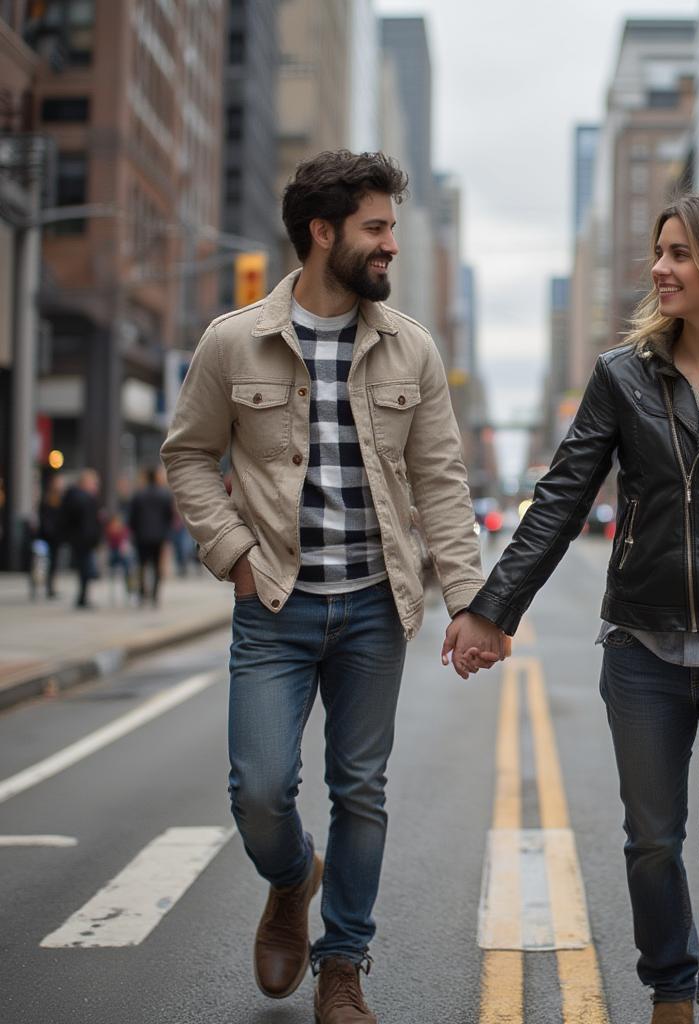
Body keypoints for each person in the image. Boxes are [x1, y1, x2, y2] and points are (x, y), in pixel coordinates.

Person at [447, 194, 699, 1024]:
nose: (660, 268)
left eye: (679, 255)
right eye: (658, 252)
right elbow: (561, 500)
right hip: (641, 650)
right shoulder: (621, 377)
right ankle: (672, 984)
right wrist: (494, 608)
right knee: (652, 842)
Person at [161, 149, 505, 1024]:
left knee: (362, 788)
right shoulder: (234, 339)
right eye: (376, 229)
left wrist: (470, 601)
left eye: (393, 228)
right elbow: (189, 456)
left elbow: (441, 483)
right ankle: (291, 878)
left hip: (373, 610)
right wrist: (233, 551)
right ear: (324, 233)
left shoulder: (410, 348)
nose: (389, 245)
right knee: (263, 789)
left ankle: (343, 963)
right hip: (272, 606)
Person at [129, 466, 174, 606]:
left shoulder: (138, 494)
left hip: (141, 536)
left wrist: (135, 531)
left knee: (142, 565)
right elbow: (169, 516)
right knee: (156, 566)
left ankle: (143, 593)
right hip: (159, 536)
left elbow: (132, 517)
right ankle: (155, 594)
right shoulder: (164, 494)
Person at [59, 468, 103, 609]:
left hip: (80, 539)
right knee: (86, 569)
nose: (95, 486)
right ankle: (82, 598)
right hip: (84, 539)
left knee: (84, 569)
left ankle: (83, 597)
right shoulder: (84, 498)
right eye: (93, 483)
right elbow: (87, 522)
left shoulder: (74, 497)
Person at [36, 474, 65, 599]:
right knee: (44, 561)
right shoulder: (46, 499)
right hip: (47, 535)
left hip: (57, 536)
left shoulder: (62, 500)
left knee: (54, 562)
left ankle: (51, 586)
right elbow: (43, 518)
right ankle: (44, 584)